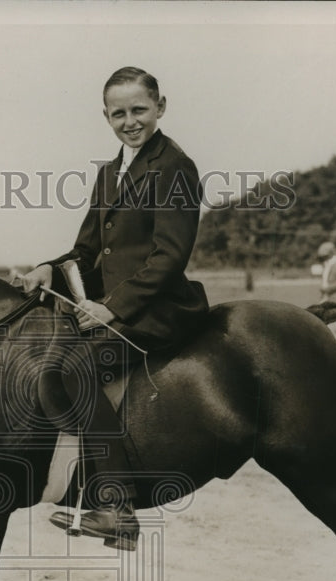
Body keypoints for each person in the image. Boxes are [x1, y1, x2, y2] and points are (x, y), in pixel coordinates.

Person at [18, 66, 209, 551]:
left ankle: (117, 504)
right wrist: (48, 268)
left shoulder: (174, 166)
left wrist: (112, 309)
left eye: (139, 110)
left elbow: (169, 256)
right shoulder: (110, 172)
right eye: (118, 113)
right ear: (105, 116)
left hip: (160, 310)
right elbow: (86, 251)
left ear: (160, 108)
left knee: (74, 370)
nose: (130, 121)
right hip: (117, 308)